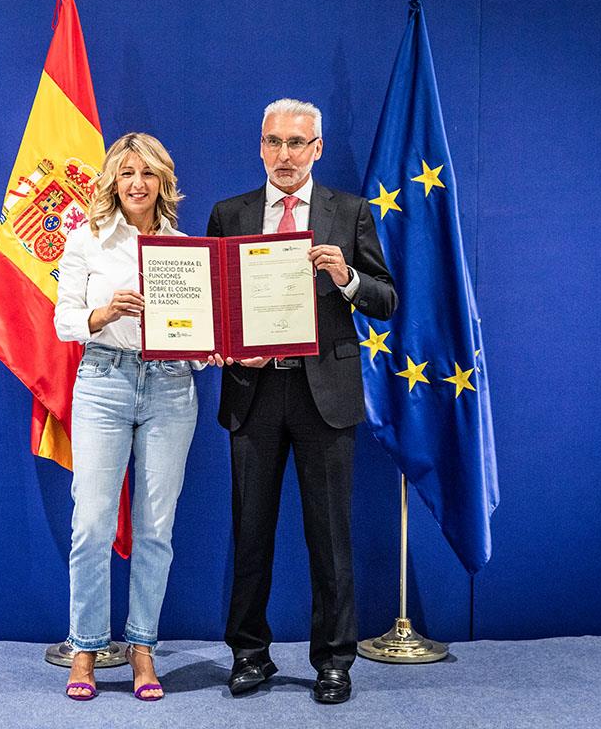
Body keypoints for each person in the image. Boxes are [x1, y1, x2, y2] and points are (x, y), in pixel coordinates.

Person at [206, 99, 397, 704]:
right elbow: (212, 308)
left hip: (325, 396)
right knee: (250, 531)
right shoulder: (229, 213)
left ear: (317, 147)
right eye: (273, 142)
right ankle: (248, 654)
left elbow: (386, 299)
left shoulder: (350, 211)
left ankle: (334, 662)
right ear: (259, 146)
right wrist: (228, 349)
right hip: (254, 393)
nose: (284, 155)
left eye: (297, 143)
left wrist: (346, 278)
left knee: (330, 537)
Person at [54, 132, 211, 701]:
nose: (137, 184)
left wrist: (208, 349)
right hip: (103, 381)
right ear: (112, 182)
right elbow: (62, 319)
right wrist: (103, 312)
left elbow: (195, 335)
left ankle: (143, 648)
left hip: (171, 388)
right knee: (92, 523)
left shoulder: (186, 248)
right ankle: (86, 648)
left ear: (163, 182)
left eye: (147, 174)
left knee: (155, 527)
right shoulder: (87, 240)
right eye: (126, 175)